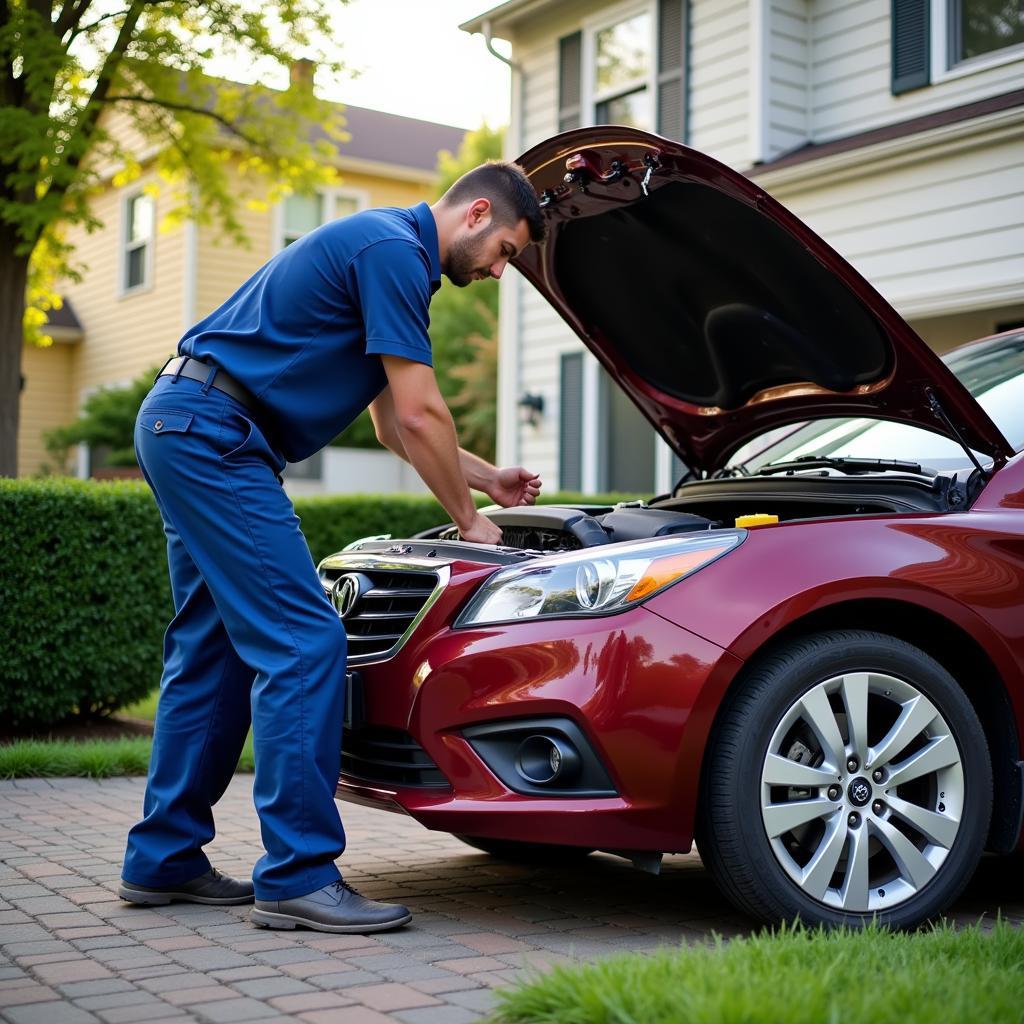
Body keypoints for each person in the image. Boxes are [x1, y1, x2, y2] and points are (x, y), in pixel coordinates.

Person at [118, 161, 546, 933]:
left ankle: (164, 857)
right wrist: (474, 523)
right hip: (215, 434)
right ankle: (298, 875)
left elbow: (389, 423)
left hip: (187, 421)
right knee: (306, 640)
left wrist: (486, 481)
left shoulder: (383, 250)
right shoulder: (396, 254)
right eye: (508, 251)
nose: (498, 271)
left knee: (212, 649)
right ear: (478, 214)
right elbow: (420, 416)